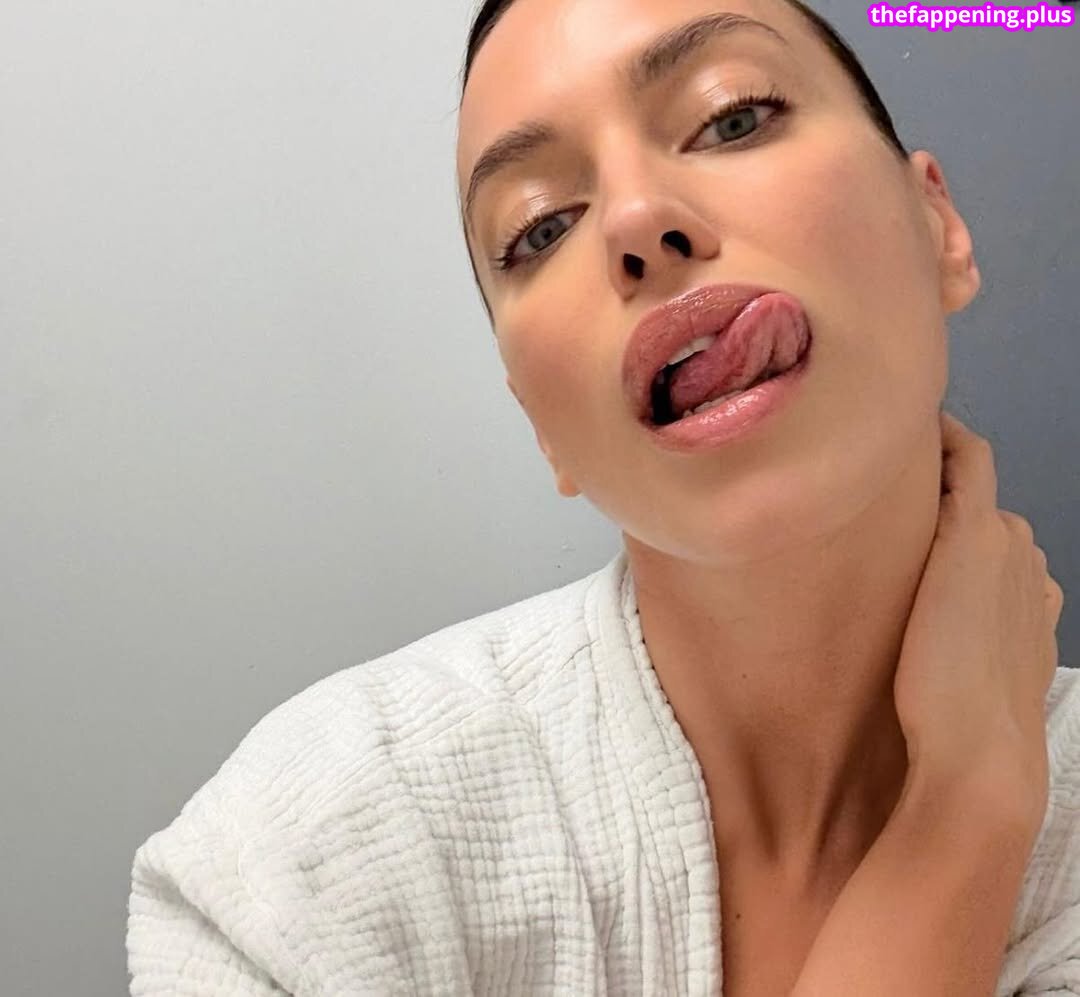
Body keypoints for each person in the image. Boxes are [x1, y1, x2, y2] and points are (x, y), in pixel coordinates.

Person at [126, 1, 1074, 994]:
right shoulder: (306, 850)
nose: (636, 221)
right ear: (541, 423)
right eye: (540, 227)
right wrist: (963, 812)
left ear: (939, 226)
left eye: (731, 116)